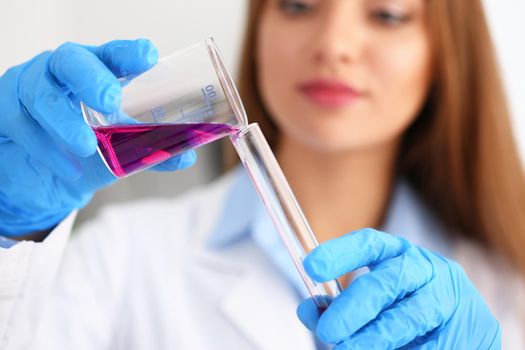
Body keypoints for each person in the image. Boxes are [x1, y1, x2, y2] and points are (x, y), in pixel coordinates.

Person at [1, 0, 524, 348]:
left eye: (387, 14)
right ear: (259, 32)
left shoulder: (509, 286)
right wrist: (10, 226)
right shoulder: (122, 257)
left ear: (447, 54)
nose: (333, 46)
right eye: (298, 5)